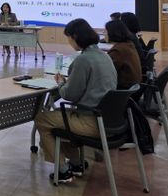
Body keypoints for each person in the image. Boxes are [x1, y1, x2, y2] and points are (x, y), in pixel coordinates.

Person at [34, 18, 117, 184]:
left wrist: (61, 83)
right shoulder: (105, 56)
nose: (69, 42)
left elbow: (70, 95)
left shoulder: (83, 60)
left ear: (75, 36)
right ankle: (76, 163)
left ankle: (62, 170)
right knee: (60, 117)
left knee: (42, 119)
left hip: (91, 122)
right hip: (109, 120)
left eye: (69, 38)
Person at [104, 20, 142, 88]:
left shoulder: (118, 51)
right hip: (132, 88)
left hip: (122, 89)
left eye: (105, 31)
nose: (104, 33)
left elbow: (105, 71)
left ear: (112, 33)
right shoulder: (128, 44)